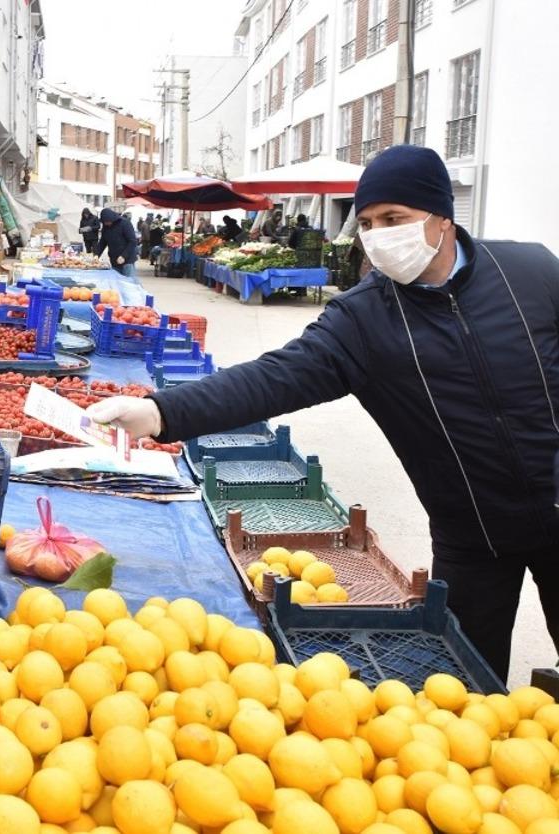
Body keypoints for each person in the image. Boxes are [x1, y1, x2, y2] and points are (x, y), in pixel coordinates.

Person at [89, 144, 559, 683]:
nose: (379, 234)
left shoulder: (532, 273)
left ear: (443, 219)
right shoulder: (364, 320)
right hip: (473, 535)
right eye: (367, 222)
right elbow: (272, 379)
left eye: (394, 219)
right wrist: (159, 411)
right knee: (472, 692)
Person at [94, 207, 139, 277]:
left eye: (108, 221)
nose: (107, 223)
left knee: (129, 283)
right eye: (105, 222)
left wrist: (123, 256)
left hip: (127, 260)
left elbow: (132, 241)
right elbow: (103, 242)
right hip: (114, 260)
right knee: (117, 283)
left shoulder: (125, 223)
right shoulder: (105, 227)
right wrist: (97, 254)